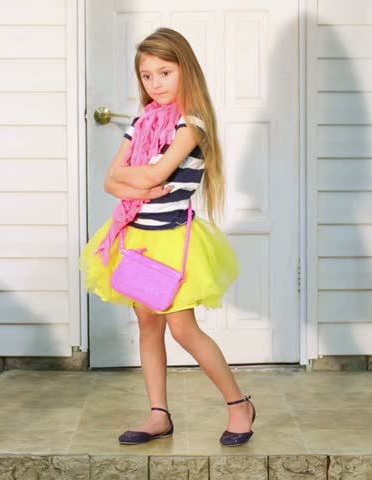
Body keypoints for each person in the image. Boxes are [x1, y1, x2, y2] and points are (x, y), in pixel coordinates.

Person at [80, 28, 256, 447]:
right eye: (147, 76)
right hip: (135, 237)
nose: (155, 83)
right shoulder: (140, 122)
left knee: (183, 329)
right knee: (147, 325)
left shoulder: (191, 124)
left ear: (185, 71)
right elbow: (109, 182)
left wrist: (135, 178)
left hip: (173, 240)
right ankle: (158, 413)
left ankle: (239, 405)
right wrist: (135, 183)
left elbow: (157, 173)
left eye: (165, 72)